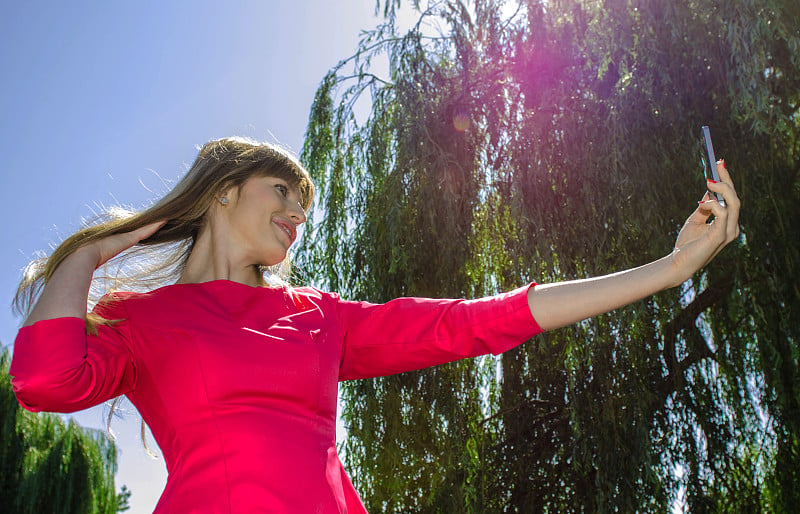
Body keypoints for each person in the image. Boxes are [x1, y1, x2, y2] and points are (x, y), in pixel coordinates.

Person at [9, 137, 740, 513]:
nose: (298, 217)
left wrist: (666, 271)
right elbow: (42, 380)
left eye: (305, 205)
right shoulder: (143, 323)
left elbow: (475, 323)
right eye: (282, 194)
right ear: (223, 191)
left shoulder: (318, 318)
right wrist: (96, 250)